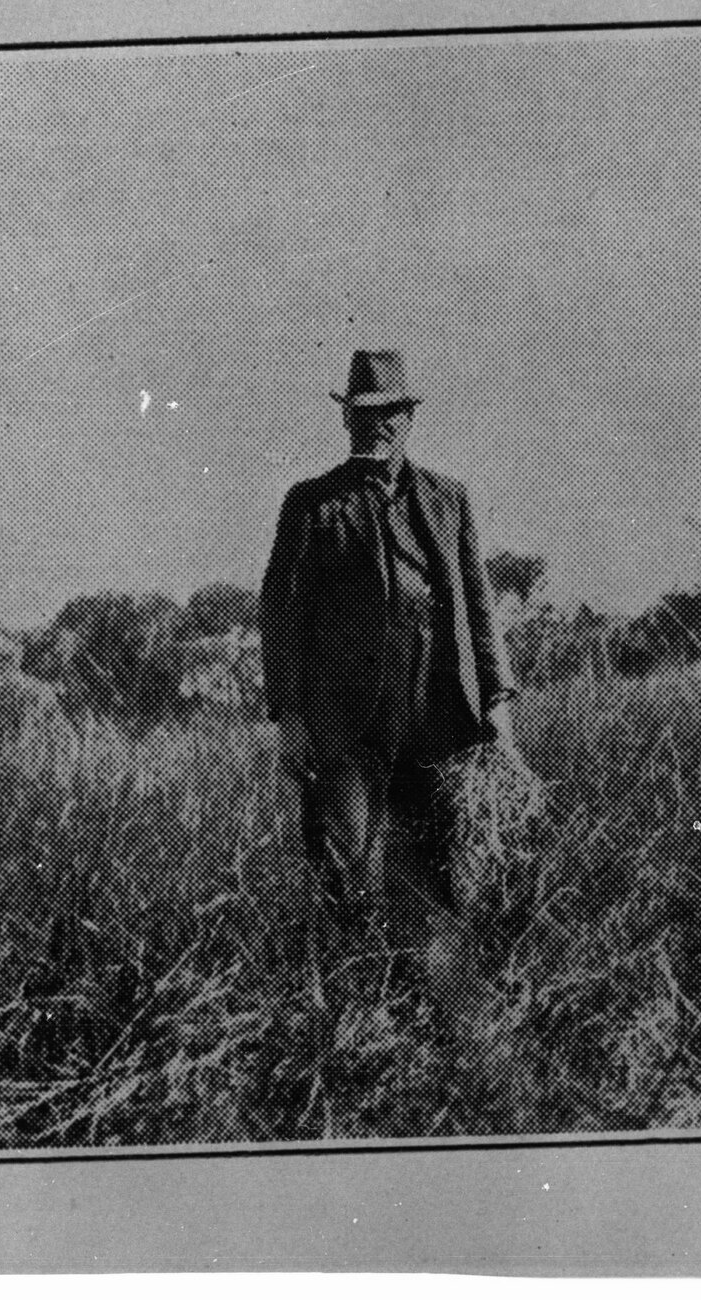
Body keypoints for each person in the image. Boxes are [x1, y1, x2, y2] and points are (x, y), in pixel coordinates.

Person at [260, 348, 521, 978]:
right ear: (346, 419)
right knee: (348, 871)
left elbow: (479, 608)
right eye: (364, 412)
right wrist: (291, 720)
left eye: (391, 412)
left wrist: (498, 704)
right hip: (346, 728)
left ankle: (427, 1011)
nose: (378, 423)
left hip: (436, 717)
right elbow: (280, 615)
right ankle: (354, 1013)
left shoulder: (448, 500)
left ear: (409, 418)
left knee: (438, 873)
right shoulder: (311, 503)